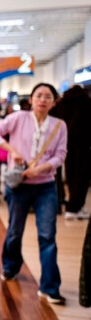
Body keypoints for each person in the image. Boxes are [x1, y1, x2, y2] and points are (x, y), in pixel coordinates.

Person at [0, 83, 68, 305]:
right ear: (31, 99)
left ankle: (50, 287)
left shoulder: (59, 125)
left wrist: (40, 169)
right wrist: (12, 150)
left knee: (47, 235)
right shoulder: (18, 118)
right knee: (14, 231)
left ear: (54, 101)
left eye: (48, 96)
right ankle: (10, 267)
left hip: (46, 187)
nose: (42, 100)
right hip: (19, 185)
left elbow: (60, 155)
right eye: (38, 95)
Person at [55, 85, 91, 220]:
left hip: (66, 143)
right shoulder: (87, 103)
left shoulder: (62, 104)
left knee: (70, 174)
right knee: (81, 176)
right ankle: (74, 208)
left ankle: (73, 206)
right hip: (84, 144)